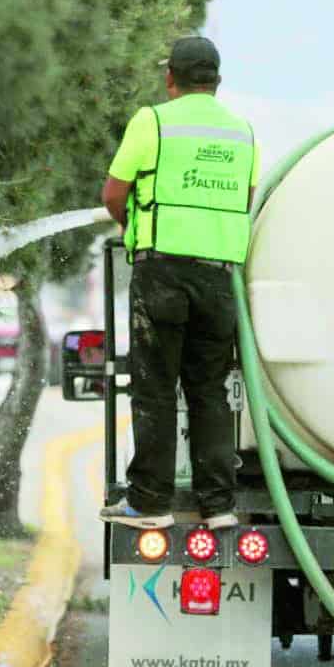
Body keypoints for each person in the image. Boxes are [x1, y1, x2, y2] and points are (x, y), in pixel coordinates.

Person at [97, 35, 259, 531]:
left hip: (161, 273)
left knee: (155, 389)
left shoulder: (154, 121)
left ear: (171, 78)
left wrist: (134, 231)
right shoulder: (242, 132)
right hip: (217, 280)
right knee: (210, 391)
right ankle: (220, 506)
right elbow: (246, 198)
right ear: (216, 82)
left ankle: (149, 503)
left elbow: (113, 194)